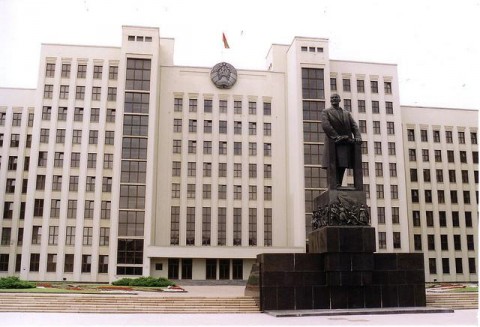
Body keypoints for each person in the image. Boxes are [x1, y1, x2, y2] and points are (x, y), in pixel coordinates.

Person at [321, 93, 362, 188]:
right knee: (332, 165)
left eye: (336, 97)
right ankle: (333, 184)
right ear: (330, 100)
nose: (334, 99)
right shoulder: (326, 112)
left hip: (345, 143)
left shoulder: (346, 113)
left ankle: (338, 183)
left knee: (342, 163)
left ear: (339, 99)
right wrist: (336, 136)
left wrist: (358, 136)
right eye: (332, 98)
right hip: (333, 142)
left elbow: (354, 126)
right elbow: (326, 125)